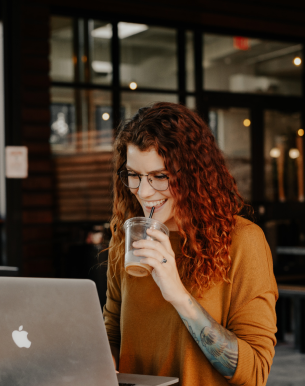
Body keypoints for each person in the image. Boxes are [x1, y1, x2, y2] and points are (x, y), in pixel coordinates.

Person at [103, 102, 278, 386]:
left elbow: (255, 372)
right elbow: (112, 333)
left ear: (193, 174)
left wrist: (177, 294)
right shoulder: (127, 237)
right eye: (134, 175)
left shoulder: (242, 241)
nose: (144, 192)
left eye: (160, 176)